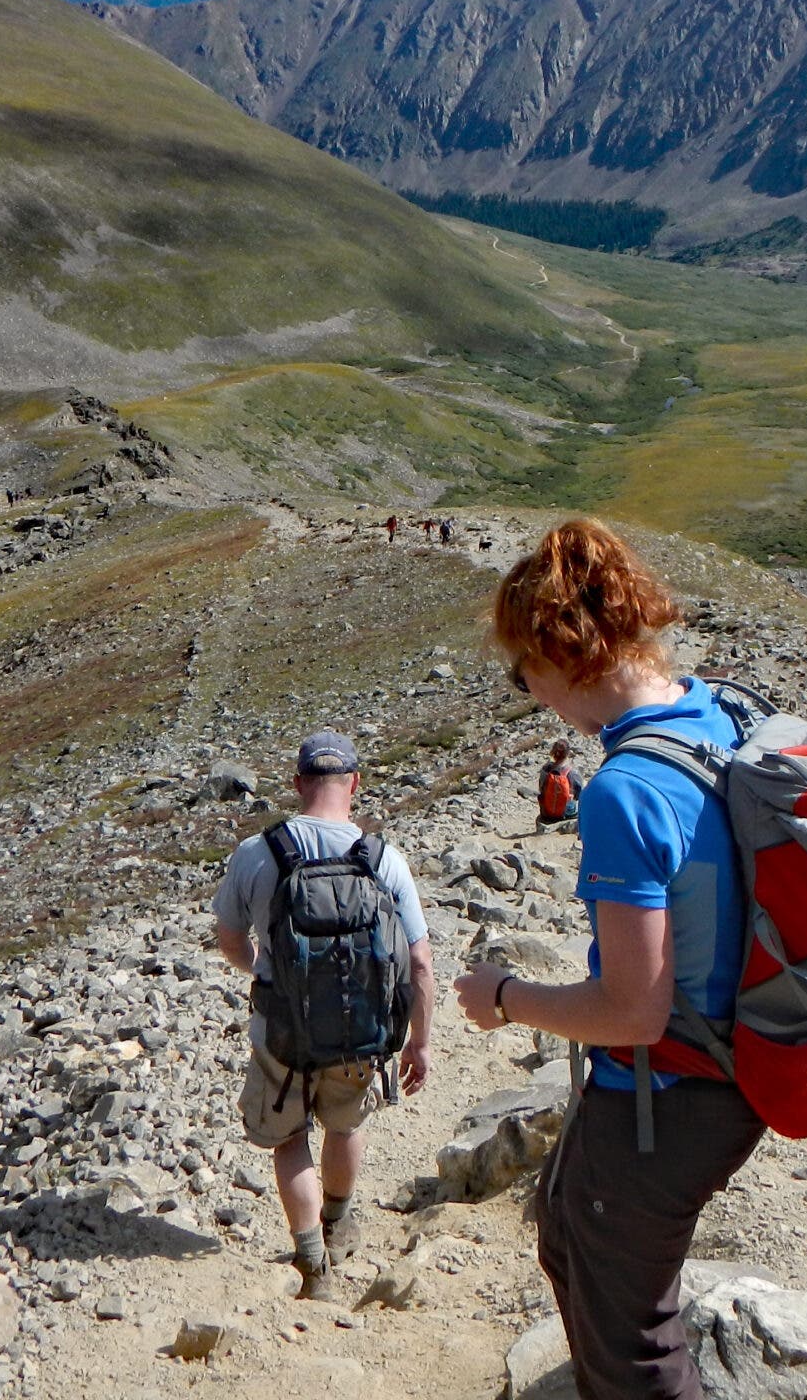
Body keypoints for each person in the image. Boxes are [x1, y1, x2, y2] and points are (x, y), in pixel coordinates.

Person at [453, 519, 763, 1399]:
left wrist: (506, 995)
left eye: (526, 673)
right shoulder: (722, 707)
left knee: (634, 1349)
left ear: (563, 652)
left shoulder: (625, 791)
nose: (533, 694)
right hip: (748, 1052)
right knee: (566, 1231)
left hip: (672, 1093)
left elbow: (633, 1012)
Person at [214, 731, 436, 1299]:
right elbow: (420, 963)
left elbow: (231, 939)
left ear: (297, 785)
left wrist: (260, 966)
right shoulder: (384, 859)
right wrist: (419, 1043)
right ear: (355, 786)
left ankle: (314, 1270)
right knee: (345, 1122)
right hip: (362, 1029)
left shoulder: (257, 853)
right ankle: (339, 1224)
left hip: (281, 1029)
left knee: (290, 1140)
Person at [536, 739, 577, 825]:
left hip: (546, 813)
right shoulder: (572, 772)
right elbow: (579, 793)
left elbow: (541, 788)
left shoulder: (546, 769)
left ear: (553, 752)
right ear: (567, 753)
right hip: (566, 813)